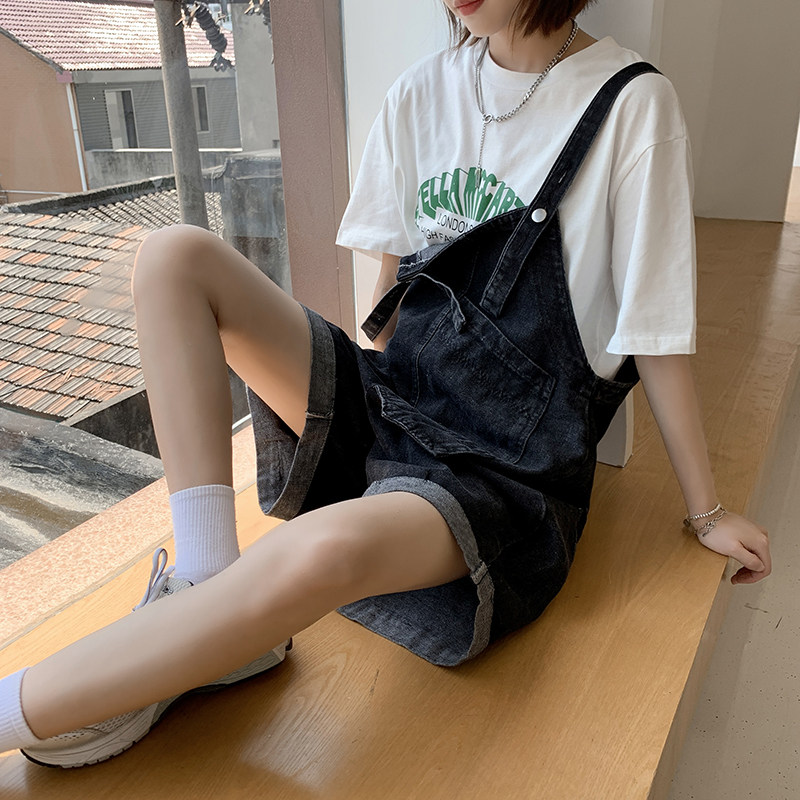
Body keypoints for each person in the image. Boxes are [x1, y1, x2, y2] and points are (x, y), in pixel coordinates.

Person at [0, 0, 771, 769]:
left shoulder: (633, 105)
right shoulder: (421, 92)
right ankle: (206, 583)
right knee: (174, 257)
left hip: (498, 475)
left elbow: (657, 336)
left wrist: (705, 511)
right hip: (398, 408)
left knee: (318, 550)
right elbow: (385, 316)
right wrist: (347, 393)